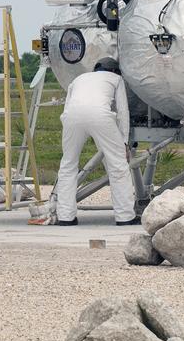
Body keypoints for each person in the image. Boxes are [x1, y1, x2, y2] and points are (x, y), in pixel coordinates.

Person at [55, 58, 138, 226]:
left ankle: (65, 216)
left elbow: (67, 107)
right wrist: (124, 142)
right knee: (118, 166)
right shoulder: (116, 79)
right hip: (100, 115)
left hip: (71, 117)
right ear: (115, 71)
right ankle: (125, 216)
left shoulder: (79, 79)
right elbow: (123, 112)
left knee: (68, 165)